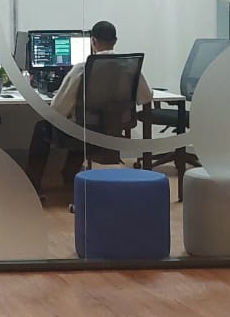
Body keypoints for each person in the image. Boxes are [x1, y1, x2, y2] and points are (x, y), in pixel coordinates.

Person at [26, 20, 152, 195]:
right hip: (114, 130)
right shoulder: (129, 66)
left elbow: (57, 109)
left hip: (85, 131)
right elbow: (146, 97)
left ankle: (32, 184)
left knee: (43, 127)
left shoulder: (82, 69)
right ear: (115, 41)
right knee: (82, 125)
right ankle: (69, 175)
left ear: (93, 41)